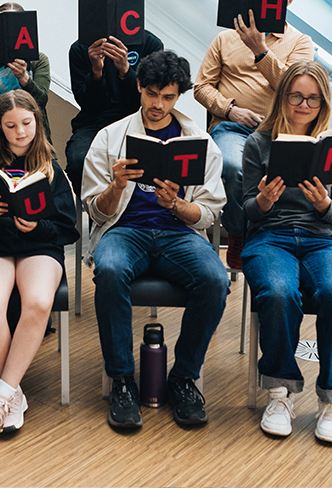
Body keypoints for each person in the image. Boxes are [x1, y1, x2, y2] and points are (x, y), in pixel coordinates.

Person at [81, 50, 229, 429]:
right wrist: (116, 186)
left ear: (178, 95)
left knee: (216, 280)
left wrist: (177, 204)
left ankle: (183, 378)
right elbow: (96, 213)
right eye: (151, 94)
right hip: (124, 230)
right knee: (110, 270)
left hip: (178, 233)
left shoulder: (201, 142)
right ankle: (123, 381)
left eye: (167, 97)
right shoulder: (109, 138)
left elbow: (209, 214)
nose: (157, 105)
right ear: (139, 89)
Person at [241, 60, 332, 444]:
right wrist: (263, 200)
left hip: (322, 238)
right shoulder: (259, 142)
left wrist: (324, 203)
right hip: (270, 235)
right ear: (283, 97)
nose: (303, 105)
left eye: (312, 98)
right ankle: (281, 392)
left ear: (322, 101)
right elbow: (246, 211)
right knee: (277, 293)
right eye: (296, 96)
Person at [0, 90, 78, 447]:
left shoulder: (52, 168)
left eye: (26, 123)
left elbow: (68, 228)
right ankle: (12, 395)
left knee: (38, 302)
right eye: (10, 126)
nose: (20, 132)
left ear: (37, 122)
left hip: (39, 245)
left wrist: (38, 226)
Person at [194, 0, 314, 269]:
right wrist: (230, 109)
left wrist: (259, 49)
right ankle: (241, 235)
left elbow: (296, 87)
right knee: (233, 166)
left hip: (278, 130)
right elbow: (201, 87)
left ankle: (279, 238)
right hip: (232, 127)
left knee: (292, 179)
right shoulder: (224, 38)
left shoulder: (301, 42)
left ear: (289, 0)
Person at [66, 0, 164, 196]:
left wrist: (125, 70)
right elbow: (87, 104)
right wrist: (96, 71)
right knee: (78, 160)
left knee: (153, 164)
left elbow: (149, 100)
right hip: (94, 123)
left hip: (137, 121)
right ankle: (95, 214)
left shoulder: (150, 44)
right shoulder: (81, 48)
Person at [0, 2, 52, 151]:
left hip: (30, 121)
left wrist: (25, 79)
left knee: (47, 157)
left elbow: (42, 101)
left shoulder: (38, 60)